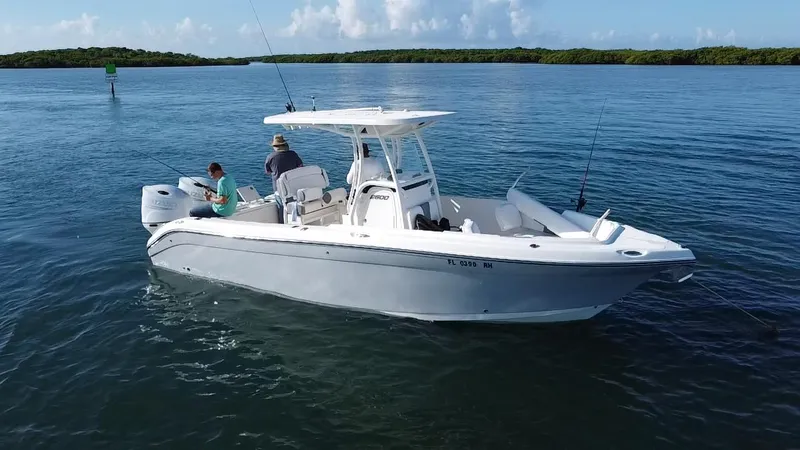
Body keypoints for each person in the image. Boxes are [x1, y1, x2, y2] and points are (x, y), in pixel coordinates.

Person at [264, 134, 303, 223]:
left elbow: (268, 171)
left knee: (281, 209)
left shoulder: (271, 157)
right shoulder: (293, 154)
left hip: (279, 188)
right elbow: (300, 166)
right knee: (294, 208)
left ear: (274, 146)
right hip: (293, 187)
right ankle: (296, 224)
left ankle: (283, 225)